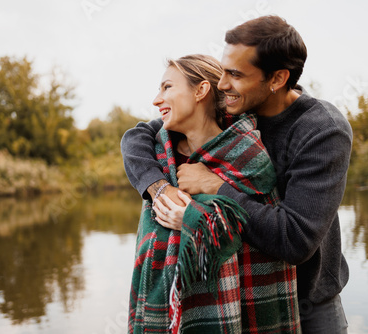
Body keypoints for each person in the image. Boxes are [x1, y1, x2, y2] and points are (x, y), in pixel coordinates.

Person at [121, 15, 352, 333]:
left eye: (236, 74)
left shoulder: (322, 130)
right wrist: (158, 187)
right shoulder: (233, 109)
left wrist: (214, 187)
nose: (222, 83)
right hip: (239, 295)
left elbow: (294, 239)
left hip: (308, 300)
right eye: (224, 69)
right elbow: (138, 137)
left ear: (277, 78)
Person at [127, 54, 300, 334]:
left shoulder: (249, 157)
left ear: (201, 90)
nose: (156, 99)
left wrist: (192, 219)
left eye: (167, 87)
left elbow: (267, 232)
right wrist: (161, 190)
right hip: (163, 312)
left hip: (239, 311)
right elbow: (132, 138)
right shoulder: (156, 154)